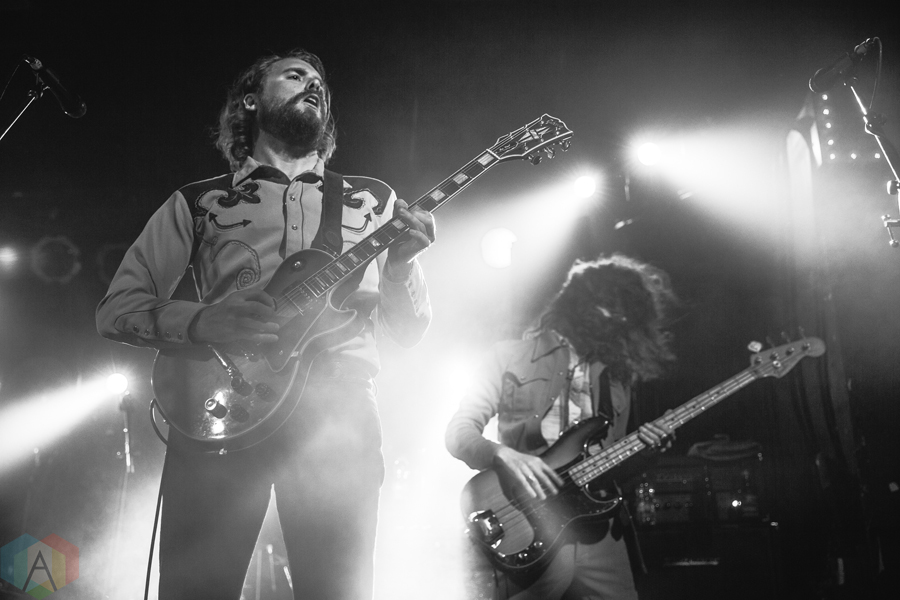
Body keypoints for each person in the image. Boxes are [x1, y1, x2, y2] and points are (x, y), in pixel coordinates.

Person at [96, 48, 434, 600]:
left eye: (321, 82)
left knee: (337, 590)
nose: (314, 85)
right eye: (295, 75)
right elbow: (117, 308)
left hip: (338, 410)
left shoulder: (374, 201)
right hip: (222, 404)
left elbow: (410, 331)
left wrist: (400, 269)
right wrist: (206, 321)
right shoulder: (200, 202)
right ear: (251, 101)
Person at [445, 254, 677, 600]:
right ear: (582, 302)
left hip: (600, 534)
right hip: (528, 523)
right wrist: (500, 454)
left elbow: (614, 466)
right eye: (611, 307)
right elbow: (459, 433)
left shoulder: (617, 377)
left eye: (626, 313)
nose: (618, 319)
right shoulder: (509, 356)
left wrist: (648, 453)